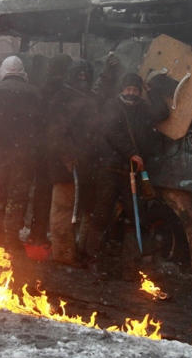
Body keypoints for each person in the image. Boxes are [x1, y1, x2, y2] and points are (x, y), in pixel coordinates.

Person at [85, 72, 170, 280]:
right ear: (122, 90)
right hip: (110, 169)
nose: (132, 93)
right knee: (103, 214)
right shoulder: (112, 106)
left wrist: (153, 92)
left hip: (130, 172)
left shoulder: (142, 109)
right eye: (128, 89)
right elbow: (111, 131)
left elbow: (162, 113)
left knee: (136, 217)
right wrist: (131, 152)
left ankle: (130, 267)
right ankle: (94, 262)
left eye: (135, 89)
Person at [46, 56, 117, 266]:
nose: (83, 78)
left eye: (86, 74)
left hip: (88, 165)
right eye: (79, 74)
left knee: (87, 211)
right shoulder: (62, 98)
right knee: (64, 211)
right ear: (70, 75)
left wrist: (108, 73)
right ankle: (63, 256)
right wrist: (67, 157)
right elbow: (56, 133)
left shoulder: (88, 98)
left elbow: (100, 91)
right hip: (67, 168)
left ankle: (82, 252)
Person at [0, 56, 43, 255]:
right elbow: (40, 126)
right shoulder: (35, 94)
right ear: (22, 71)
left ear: (3, 70)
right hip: (24, 154)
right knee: (18, 196)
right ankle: (11, 238)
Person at [27, 53, 73, 247]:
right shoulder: (67, 92)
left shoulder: (42, 90)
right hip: (59, 150)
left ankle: (37, 234)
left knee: (42, 192)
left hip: (42, 148)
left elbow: (36, 121)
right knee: (60, 195)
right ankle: (59, 238)